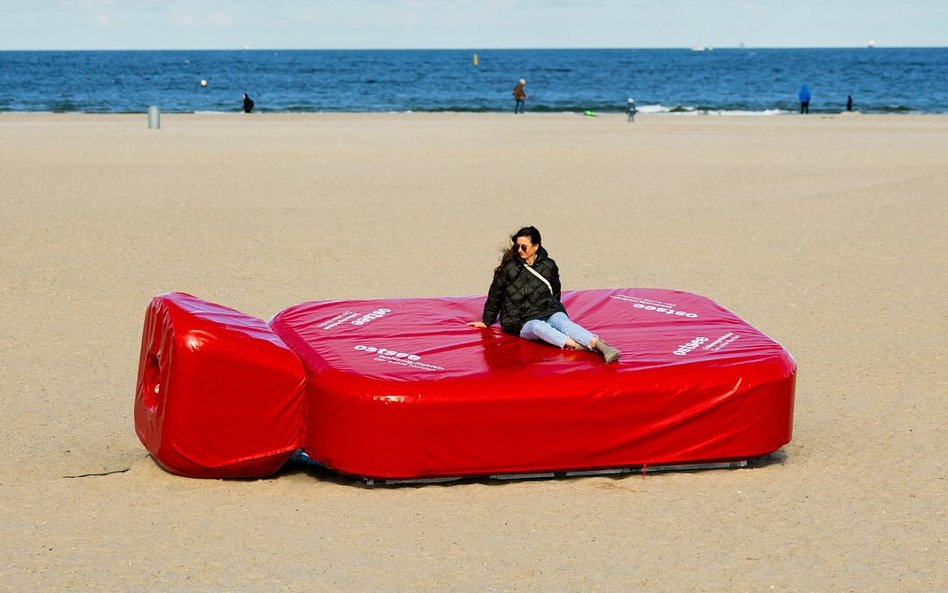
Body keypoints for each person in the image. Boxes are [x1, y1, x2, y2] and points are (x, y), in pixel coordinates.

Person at [467, 226, 621, 363]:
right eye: (517, 246)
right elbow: (496, 293)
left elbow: (555, 290)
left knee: (563, 323)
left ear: (535, 246)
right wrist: (487, 321)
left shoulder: (549, 266)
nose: (520, 250)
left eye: (524, 247)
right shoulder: (509, 268)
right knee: (537, 327)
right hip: (519, 319)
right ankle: (578, 346)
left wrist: (553, 307)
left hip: (547, 309)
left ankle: (601, 346)